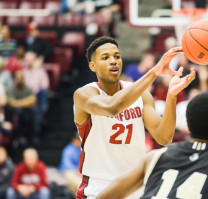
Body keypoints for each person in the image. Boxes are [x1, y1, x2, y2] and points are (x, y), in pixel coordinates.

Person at [73, 36, 195, 198]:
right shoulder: (84, 94)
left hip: (134, 187)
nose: (113, 61)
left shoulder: (141, 94)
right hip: (98, 187)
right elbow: (112, 107)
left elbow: (164, 137)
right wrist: (154, 72)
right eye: (105, 58)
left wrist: (171, 96)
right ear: (92, 66)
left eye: (117, 56)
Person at [6, 70, 38, 146]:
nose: (19, 80)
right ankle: (18, 136)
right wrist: (25, 102)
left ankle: (33, 135)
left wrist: (18, 103)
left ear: (24, 79)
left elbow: (33, 100)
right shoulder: (11, 88)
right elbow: (11, 103)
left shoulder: (28, 88)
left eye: (21, 78)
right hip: (13, 112)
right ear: (15, 79)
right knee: (18, 111)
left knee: (33, 111)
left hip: (27, 111)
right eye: (18, 78)